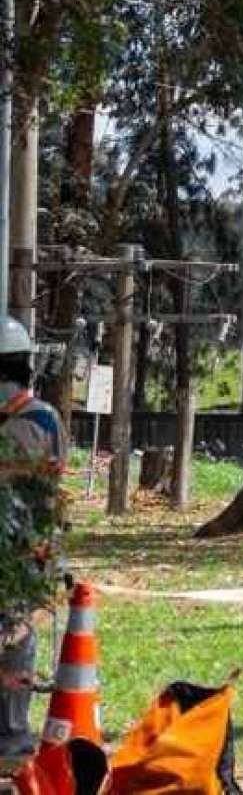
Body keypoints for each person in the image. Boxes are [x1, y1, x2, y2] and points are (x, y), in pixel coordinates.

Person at [0, 317, 64, 760]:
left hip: (20, 553)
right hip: (18, 549)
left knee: (13, 636)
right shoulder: (22, 418)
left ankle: (12, 734)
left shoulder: (31, 422)